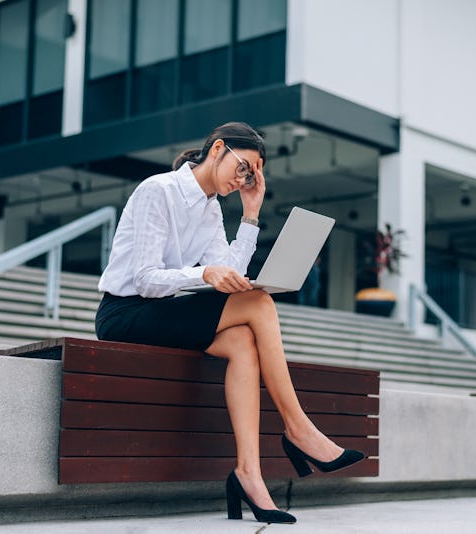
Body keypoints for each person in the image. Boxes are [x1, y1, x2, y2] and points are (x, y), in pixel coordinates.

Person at [95, 122, 365, 524]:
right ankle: (298, 429)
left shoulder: (210, 208)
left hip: (166, 311)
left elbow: (232, 276)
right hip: (126, 312)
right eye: (244, 168)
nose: (245, 179)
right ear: (217, 148)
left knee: (242, 340)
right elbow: (145, 280)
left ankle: (248, 474)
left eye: (253, 174)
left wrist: (251, 214)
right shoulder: (159, 189)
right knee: (258, 304)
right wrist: (201, 275)